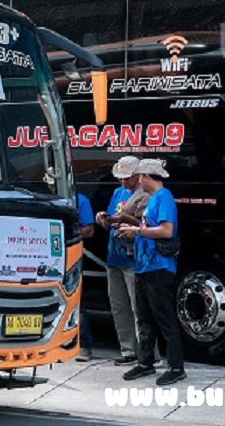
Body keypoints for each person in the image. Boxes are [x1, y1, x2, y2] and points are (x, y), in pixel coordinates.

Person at [116, 158, 185, 386]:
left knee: (164, 317)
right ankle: (146, 362)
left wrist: (137, 232)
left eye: (139, 177)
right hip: (145, 265)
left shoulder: (163, 197)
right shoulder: (155, 198)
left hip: (159, 267)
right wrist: (134, 230)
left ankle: (176, 367)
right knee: (144, 316)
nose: (137, 181)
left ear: (146, 176)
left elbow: (166, 231)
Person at [95, 156, 149, 366]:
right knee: (119, 306)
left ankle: (147, 352)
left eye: (127, 178)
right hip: (114, 255)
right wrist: (104, 220)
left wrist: (125, 220)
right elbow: (112, 221)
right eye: (121, 178)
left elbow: (146, 223)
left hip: (134, 257)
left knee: (139, 308)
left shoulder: (144, 194)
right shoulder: (118, 193)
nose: (123, 182)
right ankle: (128, 350)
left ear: (137, 176)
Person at [75, 192, 96, 362]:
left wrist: (68, 234)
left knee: (77, 301)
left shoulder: (80, 199)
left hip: (71, 255)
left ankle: (84, 344)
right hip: (43, 256)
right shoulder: (41, 197)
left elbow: (89, 230)